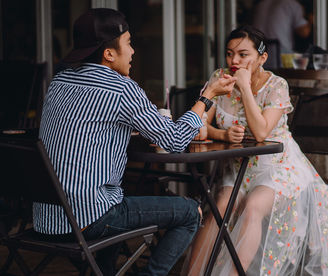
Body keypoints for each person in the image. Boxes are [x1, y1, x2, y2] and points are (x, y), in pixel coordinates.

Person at [33, 8, 236, 276]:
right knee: (189, 211)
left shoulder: (60, 81)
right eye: (128, 43)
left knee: (117, 201)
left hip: (46, 220)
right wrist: (207, 95)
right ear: (109, 54)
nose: (133, 51)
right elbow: (175, 140)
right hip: (87, 220)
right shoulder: (121, 89)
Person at [184, 25, 328, 275]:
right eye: (229, 53)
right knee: (220, 206)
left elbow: (261, 133)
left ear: (262, 58)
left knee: (253, 206)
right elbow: (201, 125)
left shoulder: (277, 85)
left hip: (279, 167)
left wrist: (244, 87)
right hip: (238, 168)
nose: (234, 60)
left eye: (243, 54)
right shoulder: (220, 77)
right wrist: (221, 133)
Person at [252, 0, 312, 68]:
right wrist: (311, 19)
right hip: (282, 62)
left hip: (259, 60)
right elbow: (304, 32)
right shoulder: (291, 4)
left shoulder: (261, 4)